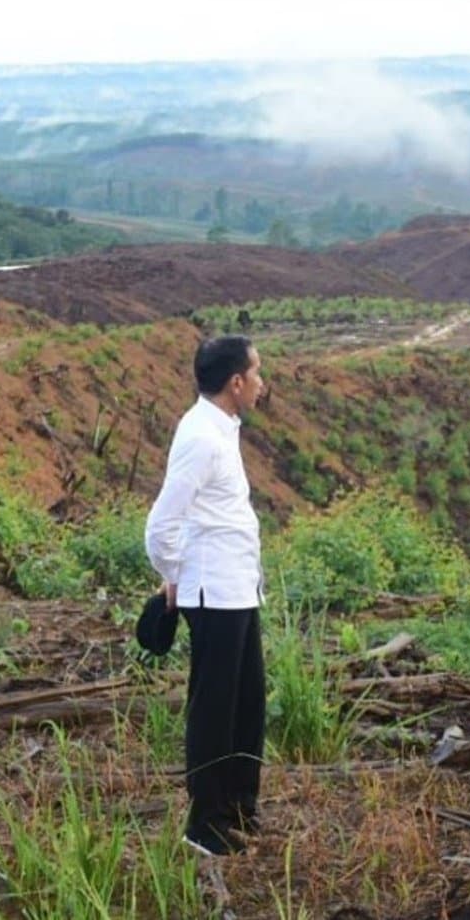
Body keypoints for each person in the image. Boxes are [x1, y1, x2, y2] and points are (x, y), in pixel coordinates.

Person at [144, 335, 267, 856]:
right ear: (235, 382)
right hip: (212, 591)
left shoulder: (222, 427)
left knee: (246, 702)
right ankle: (204, 826)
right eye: (257, 372)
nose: (263, 381)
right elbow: (161, 524)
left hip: (236, 587)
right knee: (214, 708)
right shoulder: (201, 436)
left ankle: (237, 806)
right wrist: (174, 575)